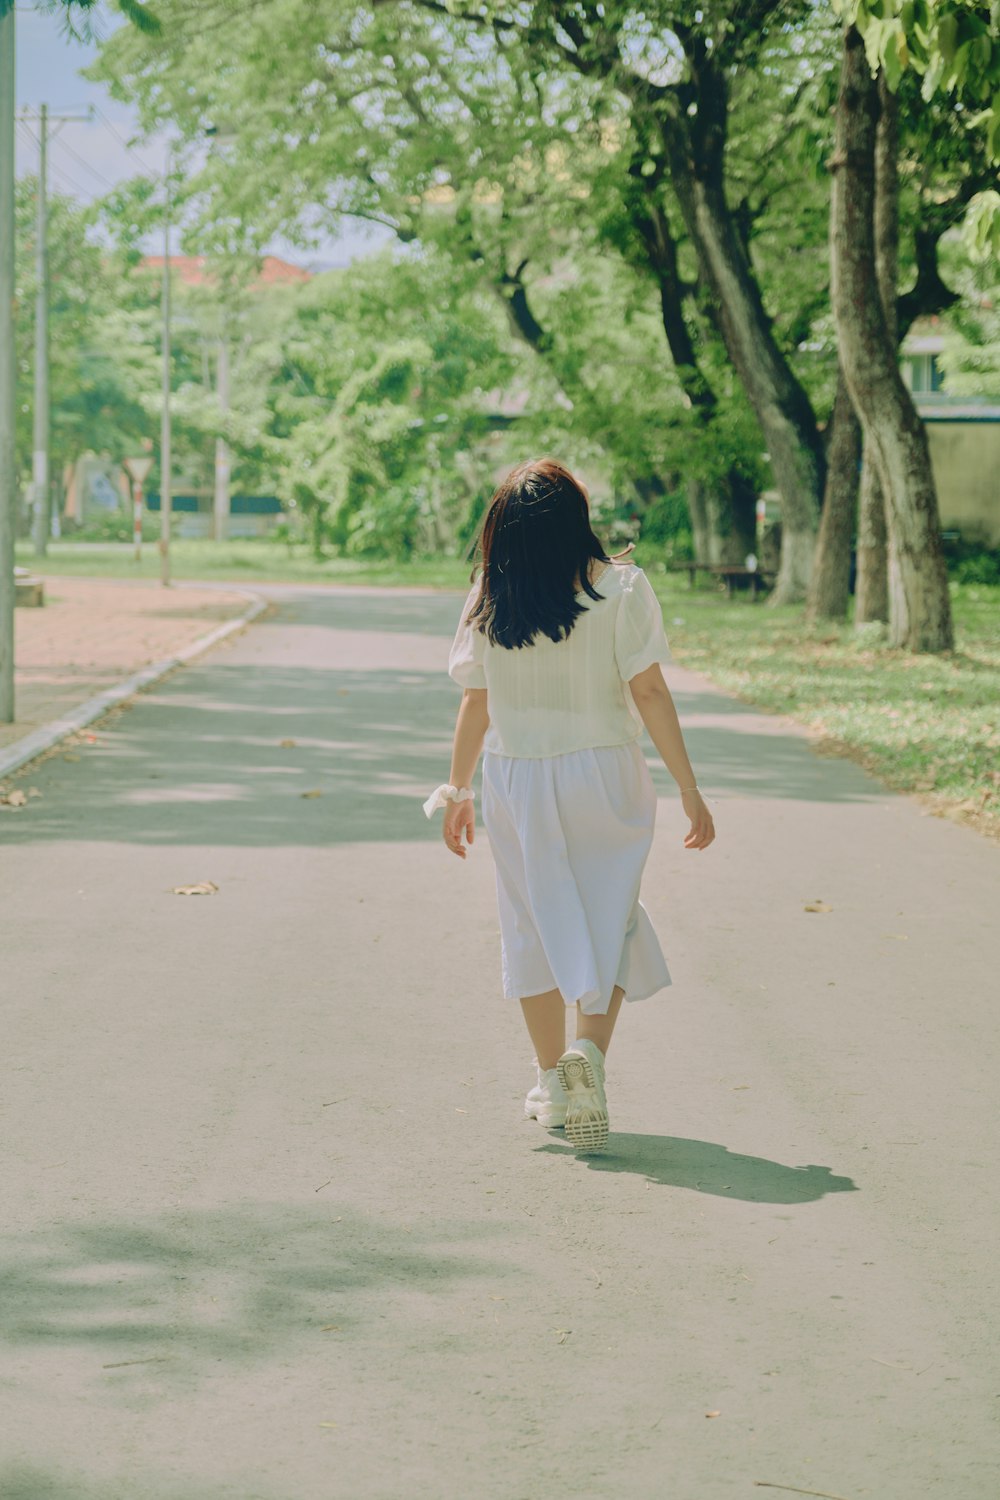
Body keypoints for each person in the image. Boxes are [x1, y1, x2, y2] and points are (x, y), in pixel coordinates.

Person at [424, 458, 714, 1152]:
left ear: (505, 529)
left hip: (517, 777)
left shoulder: (489, 593)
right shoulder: (621, 588)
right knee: (608, 916)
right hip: (606, 773)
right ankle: (589, 1057)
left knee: (530, 923)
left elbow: (475, 700)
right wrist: (689, 788)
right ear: (577, 520)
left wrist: (459, 791)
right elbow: (648, 691)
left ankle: (551, 1078)